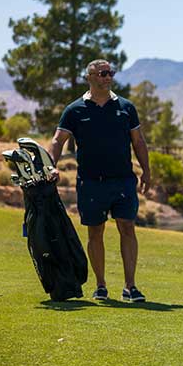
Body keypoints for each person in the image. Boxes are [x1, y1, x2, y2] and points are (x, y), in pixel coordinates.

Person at [49, 59, 151, 303]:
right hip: (91, 182)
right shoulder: (75, 110)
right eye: (103, 73)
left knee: (127, 227)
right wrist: (51, 166)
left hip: (124, 180)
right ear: (90, 77)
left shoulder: (126, 107)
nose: (108, 77)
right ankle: (101, 285)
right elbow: (57, 140)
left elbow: (138, 141)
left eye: (110, 73)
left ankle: (130, 286)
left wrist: (146, 171)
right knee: (95, 231)